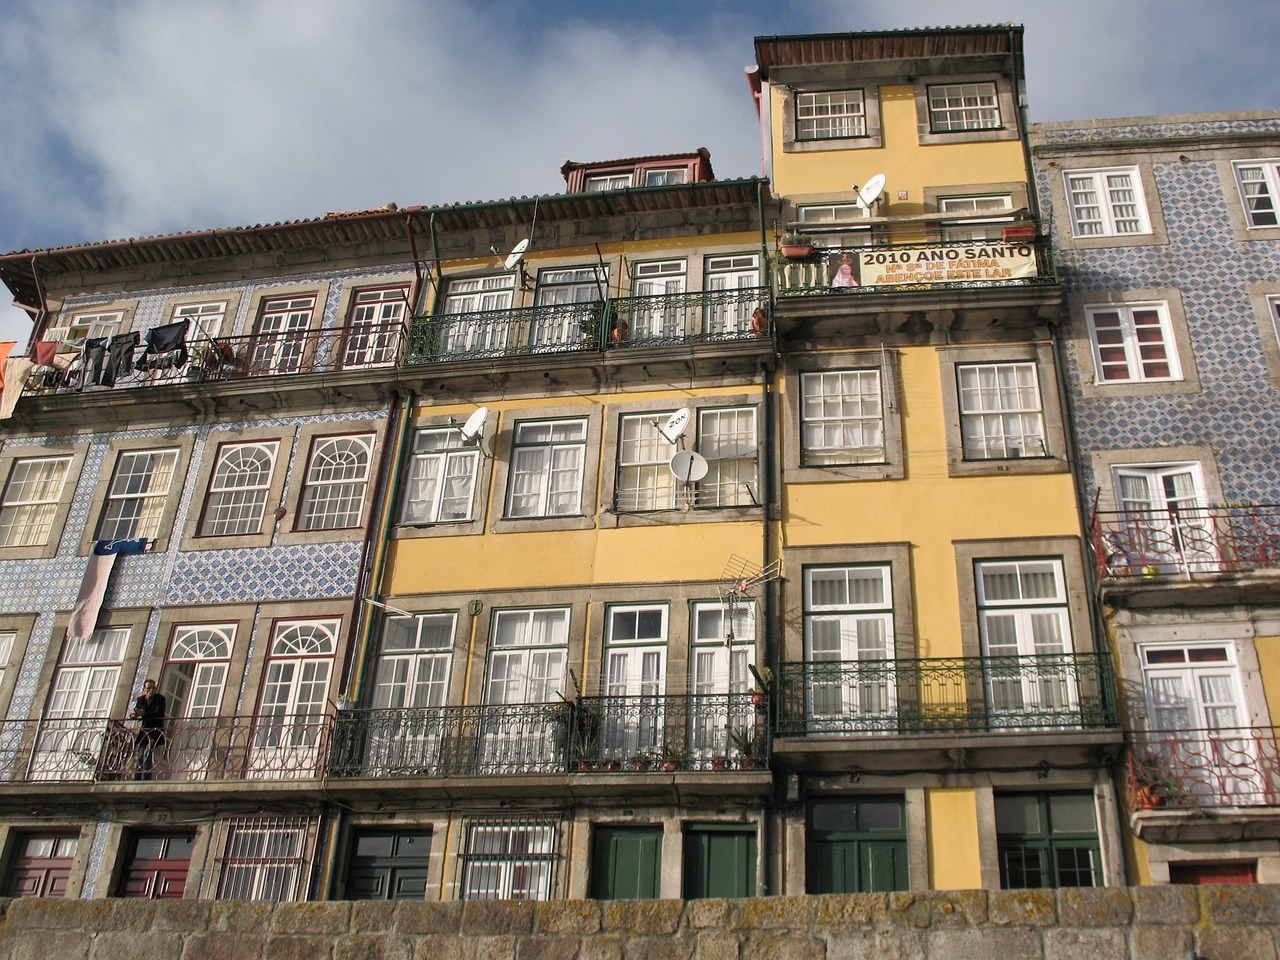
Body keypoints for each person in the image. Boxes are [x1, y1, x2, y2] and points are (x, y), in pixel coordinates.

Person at [130, 679, 166, 781]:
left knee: (147, 753)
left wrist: (144, 712)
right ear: (144, 689)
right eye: (149, 688)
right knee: (140, 754)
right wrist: (134, 714)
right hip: (144, 731)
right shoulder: (140, 699)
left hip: (155, 730)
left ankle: (145, 779)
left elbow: (159, 713)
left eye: (153, 688)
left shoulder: (160, 699)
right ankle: (137, 779)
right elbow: (137, 711)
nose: (151, 690)